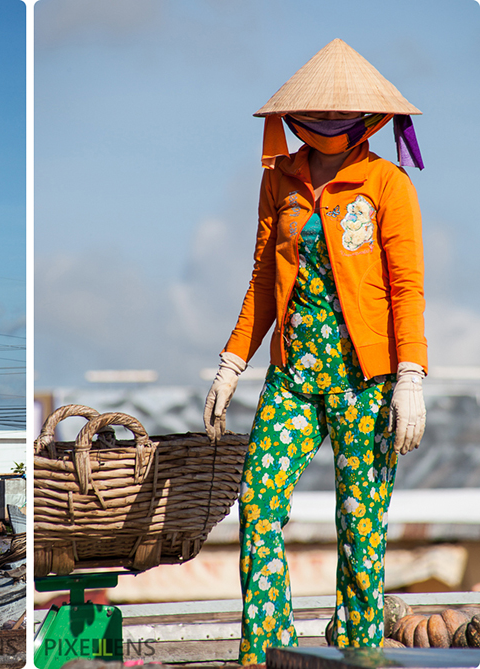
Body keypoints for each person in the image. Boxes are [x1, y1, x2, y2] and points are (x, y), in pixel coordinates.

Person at [202, 39, 427, 665]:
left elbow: (407, 287)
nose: (328, 126)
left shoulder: (387, 183)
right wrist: (231, 363)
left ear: (369, 119)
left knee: (361, 527)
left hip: (367, 381)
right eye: (317, 116)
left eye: (340, 115)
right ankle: (266, 653)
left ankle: (359, 654)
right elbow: (263, 280)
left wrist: (410, 374)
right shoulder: (280, 181)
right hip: (293, 377)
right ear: (292, 119)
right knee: (260, 503)